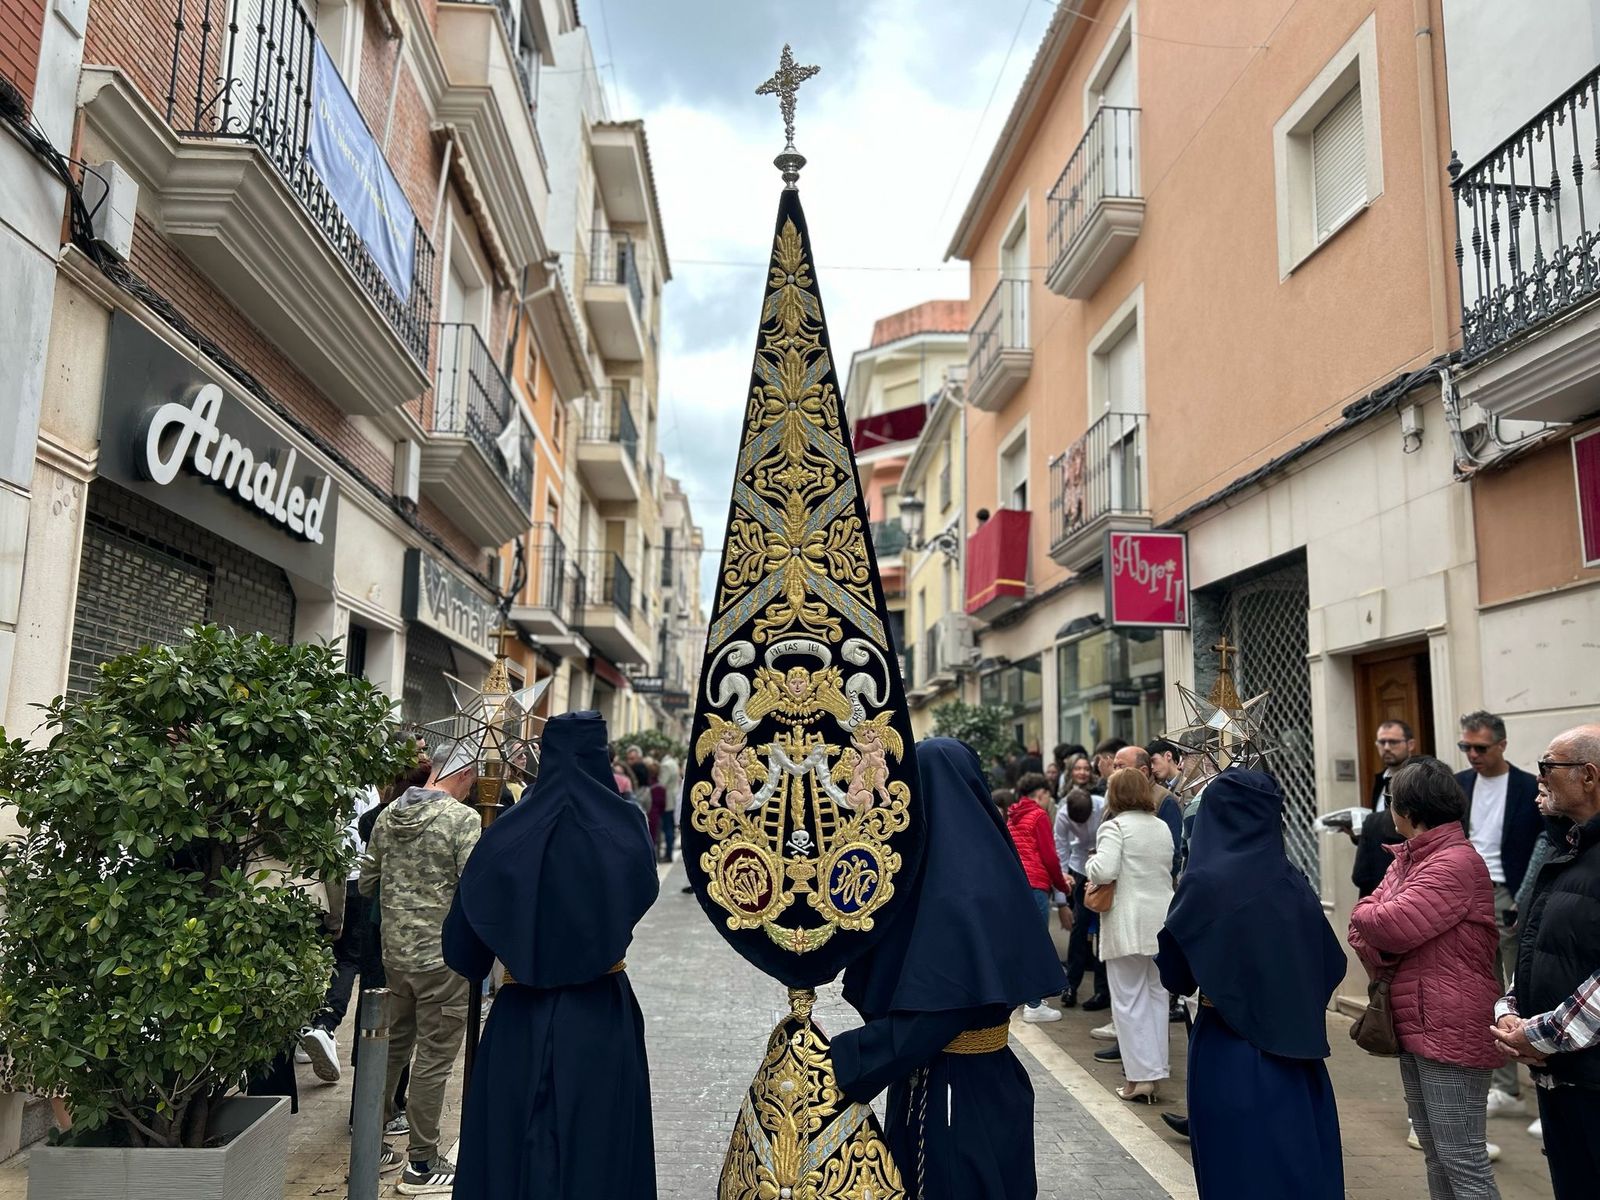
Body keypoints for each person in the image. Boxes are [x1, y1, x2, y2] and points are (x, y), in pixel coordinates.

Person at [829, 737, 1067, 1200]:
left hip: (950, 1094)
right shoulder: (987, 864)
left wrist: (845, 1059)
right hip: (988, 1081)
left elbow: (940, 1008)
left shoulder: (957, 889)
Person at [444, 711, 658, 1199]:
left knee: (513, 1158)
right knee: (600, 1159)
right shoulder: (628, 828)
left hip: (520, 1018)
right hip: (602, 1019)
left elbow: (463, 951)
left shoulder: (504, 830)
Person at [1157, 769, 1346, 1199]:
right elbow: (1331, 963)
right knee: (1296, 1165)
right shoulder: (1292, 879)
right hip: (1297, 1054)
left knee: (1238, 1167)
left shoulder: (1204, 883)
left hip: (1229, 1049)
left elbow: (1176, 972)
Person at [1348, 757, 1504, 1200]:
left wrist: (1370, 918)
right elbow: (1365, 928)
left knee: (1463, 1158)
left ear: (1408, 810)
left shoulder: (1454, 862)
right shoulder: (1412, 857)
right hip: (1417, 1018)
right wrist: (1372, 921)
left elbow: (1383, 923)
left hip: (1449, 1021)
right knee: (1436, 1153)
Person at [359, 744, 482, 1194]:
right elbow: (477, 887)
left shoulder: (389, 815)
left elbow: (368, 881)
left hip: (396, 954)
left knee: (391, 1049)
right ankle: (422, 1162)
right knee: (433, 1060)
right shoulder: (462, 821)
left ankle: (370, 1146)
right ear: (463, 774)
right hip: (443, 960)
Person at [1490, 724, 1600, 1199]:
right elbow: (1534, 948)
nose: (1539, 778)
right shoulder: (1565, 850)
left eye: (1548, 767)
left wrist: (1538, 1037)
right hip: (1562, 1077)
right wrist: (1510, 1011)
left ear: (1589, 776)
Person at [1453, 710, 1544, 1118]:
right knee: (1480, 986)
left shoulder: (1527, 787)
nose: (1472, 754)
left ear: (1502, 745)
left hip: (1510, 893)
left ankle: (1519, 1090)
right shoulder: (1460, 785)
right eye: (1466, 747)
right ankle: (1497, 1084)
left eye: (1480, 748)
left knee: (1514, 986)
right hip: (1467, 891)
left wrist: (1526, 899)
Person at [1086, 767, 1174, 1102]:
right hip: (1161, 921)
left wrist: (1090, 863)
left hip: (1127, 921)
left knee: (1127, 1002)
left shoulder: (1114, 827)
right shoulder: (1161, 827)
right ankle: (1155, 1072)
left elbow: (1105, 870)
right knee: (1156, 998)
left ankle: (1139, 1078)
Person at [297, 782, 381, 1084]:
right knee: (347, 960)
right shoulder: (367, 788)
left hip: (313, 879)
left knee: (317, 954)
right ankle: (325, 1025)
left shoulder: (320, 780)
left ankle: (305, 1028)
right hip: (353, 878)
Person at [1005, 772, 1072, 1023]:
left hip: (1018, 886)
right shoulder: (1039, 815)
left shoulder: (1012, 818)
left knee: (1022, 943)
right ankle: (1034, 1005)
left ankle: (1025, 1000)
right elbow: (1049, 856)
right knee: (1036, 944)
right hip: (1036, 885)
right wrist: (1062, 886)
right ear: (1041, 793)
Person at [1054, 763, 1108, 1011]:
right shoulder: (1064, 814)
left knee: (1102, 931)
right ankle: (1071, 985)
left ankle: (1101, 990)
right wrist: (1063, 878)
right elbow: (1061, 848)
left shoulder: (1101, 805)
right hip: (1078, 868)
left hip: (1102, 871)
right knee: (1079, 929)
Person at [1352, 719, 1415, 896]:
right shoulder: (1381, 779)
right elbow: (1381, 827)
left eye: (1393, 742)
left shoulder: (1419, 781)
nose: (1386, 747)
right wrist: (1359, 833)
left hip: (1404, 881)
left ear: (1410, 744)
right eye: (1382, 742)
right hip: (1374, 881)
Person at [1114, 744, 1183, 877]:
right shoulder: (1114, 798)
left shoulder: (1164, 800)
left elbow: (1174, 854)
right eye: (1114, 767)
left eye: (1121, 767)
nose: (1116, 772)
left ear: (1143, 771)